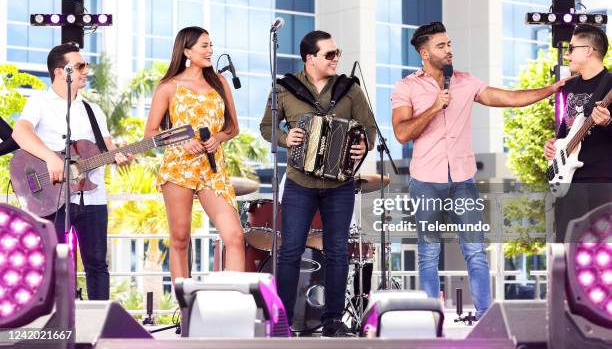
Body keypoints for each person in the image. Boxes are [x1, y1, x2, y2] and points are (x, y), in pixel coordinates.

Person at [391, 21, 570, 319]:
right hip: (425, 181)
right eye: (441, 46)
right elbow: (402, 133)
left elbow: (509, 99)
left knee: (475, 251)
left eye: (449, 44)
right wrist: (435, 107)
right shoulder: (406, 87)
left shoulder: (466, 81)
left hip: (463, 180)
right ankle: (429, 316)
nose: (449, 50)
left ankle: (486, 316)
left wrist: (551, 89)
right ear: (424, 52)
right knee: (428, 254)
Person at [260, 30, 376, 337]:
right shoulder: (285, 88)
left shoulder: (349, 89)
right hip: (300, 182)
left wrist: (363, 145)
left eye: (338, 53)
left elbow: (370, 129)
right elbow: (266, 127)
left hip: (339, 184)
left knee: (338, 251)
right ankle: (282, 322)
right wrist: (286, 138)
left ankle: (332, 321)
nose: (336, 59)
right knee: (290, 251)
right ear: (310, 58)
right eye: (330, 54)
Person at [12, 43, 132, 300]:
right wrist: (50, 159)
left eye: (86, 65)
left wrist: (118, 156)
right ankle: (53, 322)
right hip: (52, 197)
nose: (85, 70)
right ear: (59, 71)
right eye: (79, 66)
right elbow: (20, 132)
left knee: (98, 264)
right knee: (52, 264)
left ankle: (99, 327)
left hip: (93, 198)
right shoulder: (40, 102)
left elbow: (107, 146)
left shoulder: (93, 110)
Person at [145, 26, 244, 282]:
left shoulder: (220, 82)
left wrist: (217, 139)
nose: (210, 50)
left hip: (213, 170)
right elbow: (150, 133)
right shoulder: (169, 86)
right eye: (204, 45)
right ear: (187, 50)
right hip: (179, 168)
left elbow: (232, 128)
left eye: (211, 45)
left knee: (234, 236)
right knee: (179, 238)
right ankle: (185, 311)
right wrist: (181, 142)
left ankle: (234, 306)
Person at [543, 24, 612, 242]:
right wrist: (554, 146)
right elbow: (565, 129)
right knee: (566, 246)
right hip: (569, 182)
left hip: (602, 182)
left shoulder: (609, 84)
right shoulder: (568, 87)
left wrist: (608, 122)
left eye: (572, 48)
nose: (568, 54)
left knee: (601, 251)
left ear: (588, 50)